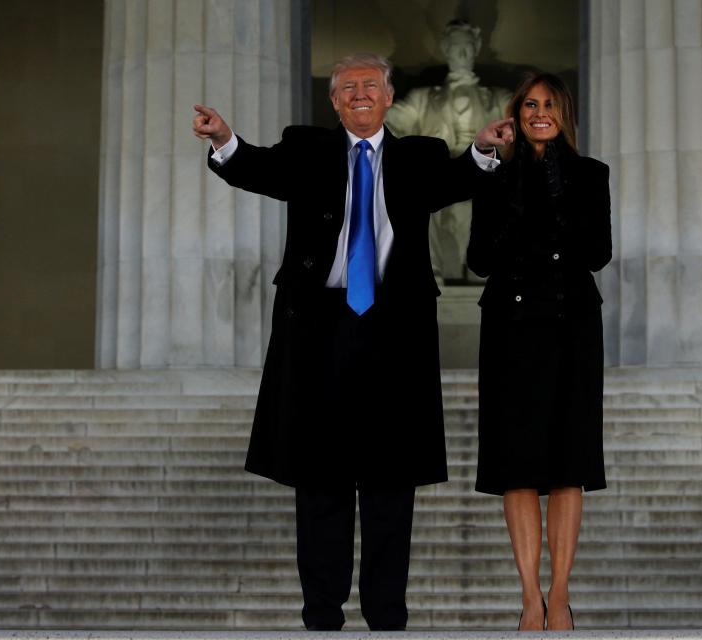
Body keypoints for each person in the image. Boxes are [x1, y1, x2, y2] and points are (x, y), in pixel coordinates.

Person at [192, 53, 513, 631]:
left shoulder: (420, 155)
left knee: (392, 482)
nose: (359, 94)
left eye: (370, 85)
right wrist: (224, 139)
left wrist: (485, 148)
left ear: (389, 98)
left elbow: (458, 179)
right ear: (334, 101)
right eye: (347, 88)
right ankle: (321, 614)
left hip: (397, 331)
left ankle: (387, 615)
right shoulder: (307, 148)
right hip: (318, 328)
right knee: (321, 480)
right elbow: (259, 168)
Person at [466, 72, 612, 631]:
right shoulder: (495, 177)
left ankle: (560, 594)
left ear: (564, 113)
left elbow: (597, 252)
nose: (539, 112)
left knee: (569, 466)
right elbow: (479, 258)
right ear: (516, 113)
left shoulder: (590, 175)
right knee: (518, 467)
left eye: (549, 104)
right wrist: (516, 187)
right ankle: (529, 596)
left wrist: (556, 195)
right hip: (510, 325)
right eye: (530, 104)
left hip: (572, 323)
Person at [385, 20, 512, 282]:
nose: (462, 54)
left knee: (491, 196)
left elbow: (527, 118)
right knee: (417, 196)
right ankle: (429, 269)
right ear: (445, 49)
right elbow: (386, 123)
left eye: (467, 47)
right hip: (437, 176)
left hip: (484, 174)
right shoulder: (422, 98)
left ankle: (483, 267)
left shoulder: (498, 98)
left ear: (476, 48)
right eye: (456, 47)